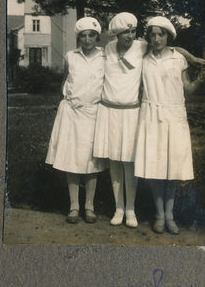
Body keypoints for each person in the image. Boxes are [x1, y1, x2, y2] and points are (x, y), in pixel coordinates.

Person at [134, 16, 205, 235]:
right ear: (148, 37)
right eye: (153, 35)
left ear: (168, 36)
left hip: (175, 115)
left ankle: (170, 215)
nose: (157, 39)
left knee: (173, 168)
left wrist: (202, 76)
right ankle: (159, 215)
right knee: (155, 168)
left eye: (161, 34)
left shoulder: (178, 58)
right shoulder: (143, 58)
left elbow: (189, 89)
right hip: (151, 115)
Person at [45, 17, 106, 224]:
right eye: (83, 36)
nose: (87, 40)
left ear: (97, 37)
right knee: (71, 159)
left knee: (91, 161)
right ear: (78, 38)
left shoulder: (105, 57)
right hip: (71, 113)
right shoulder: (71, 56)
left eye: (91, 36)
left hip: (93, 113)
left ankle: (89, 206)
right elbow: (65, 80)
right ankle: (73, 206)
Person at [94, 13, 146, 227]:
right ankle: (118, 208)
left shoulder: (142, 47)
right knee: (114, 161)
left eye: (133, 31)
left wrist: (195, 59)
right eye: (125, 32)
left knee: (129, 162)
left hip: (131, 113)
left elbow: (172, 49)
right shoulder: (108, 48)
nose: (130, 36)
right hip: (109, 112)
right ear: (117, 33)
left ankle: (131, 210)